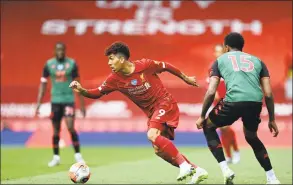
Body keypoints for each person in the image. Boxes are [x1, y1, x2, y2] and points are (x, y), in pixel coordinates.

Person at [70, 41, 208, 184]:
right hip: (152, 113)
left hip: (165, 103)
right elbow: (98, 92)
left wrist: (185, 78)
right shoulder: (114, 79)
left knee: (152, 135)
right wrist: (82, 90)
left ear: (122, 59)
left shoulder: (145, 65)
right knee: (159, 150)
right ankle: (197, 170)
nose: (109, 63)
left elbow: (166, 66)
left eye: (111, 59)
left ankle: (184, 166)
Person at [196, 32, 280, 184]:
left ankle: (226, 169)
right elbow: (268, 94)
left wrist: (202, 116)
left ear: (226, 47)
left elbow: (211, 91)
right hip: (255, 103)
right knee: (251, 137)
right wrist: (272, 119)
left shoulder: (219, 60)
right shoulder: (259, 61)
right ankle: (272, 178)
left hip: (233, 101)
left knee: (208, 127)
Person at [35, 42, 86, 167]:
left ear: (65, 50)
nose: (60, 52)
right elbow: (43, 84)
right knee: (56, 130)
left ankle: (78, 156)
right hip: (55, 101)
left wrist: (82, 105)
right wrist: (39, 103)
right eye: (58, 50)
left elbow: (77, 83)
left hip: (68, 99)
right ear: (55, 51)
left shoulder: (72, 64)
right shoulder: (48, 64)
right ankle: (56, 157)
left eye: (62, 50)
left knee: (70, 127)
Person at [209, 44, 240, 164]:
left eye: (219, 51)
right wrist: (214, 92)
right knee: (223, 129)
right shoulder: (212, 67)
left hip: (229, 99)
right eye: (216, 52)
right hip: (217, 101)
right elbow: (210, 82)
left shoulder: (230, 67)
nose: (217, 54)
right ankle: (231, 155)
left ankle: (233, 153)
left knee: (224, 127)